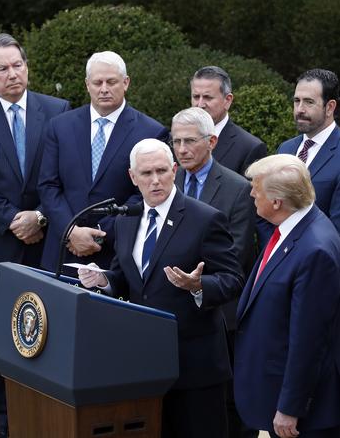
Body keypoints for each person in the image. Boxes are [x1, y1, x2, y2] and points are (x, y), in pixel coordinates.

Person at [78, 138, 243, 438]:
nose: (155, 181)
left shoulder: (204, 219)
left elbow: (233, 279)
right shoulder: (127, 219)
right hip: (146, 362)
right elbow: (125, 277)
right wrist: (103, 280)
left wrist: (198, 286)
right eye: (146, 174)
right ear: (133, 177)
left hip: (195, 366)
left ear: (174, 170)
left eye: (162, 171)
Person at [0, 33, 70, 438]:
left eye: (17, 65)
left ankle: (43, 413)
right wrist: (13, 220)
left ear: (27, 67)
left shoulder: (57, 111)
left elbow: (61, 175)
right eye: (1, 69)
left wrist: (39, 216)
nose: (11, 74)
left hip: (45, 242)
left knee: (47, 332)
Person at [235, 154, 340, 438]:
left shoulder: (315, 249)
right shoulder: (292, 229)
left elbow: (309, 338)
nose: (252, 193)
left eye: (256, 187)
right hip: (270, 388)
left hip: (302, 415)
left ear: (277, 202)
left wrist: (290, 406)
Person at [38, 51, 168, 272]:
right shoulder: (59, 126)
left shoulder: (151, 132)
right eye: (97, 82)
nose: (104, 89)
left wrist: (98, 234)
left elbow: (145, 194)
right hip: (61, 250)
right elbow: (48, 186)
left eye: (112, 81)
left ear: (125, 83)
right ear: (87, 84)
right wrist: (71, 231)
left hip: (112, 255)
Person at [171, 107, 257, 438]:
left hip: (220, 313)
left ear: (212, 141)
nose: (181, 149)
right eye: (176, 140)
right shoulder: (170, 179)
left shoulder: (237, 189)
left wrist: (197, 282)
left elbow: (235, 255)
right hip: (173, 311)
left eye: (189, 141)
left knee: (225, 407)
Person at [277, 68, 340, 234]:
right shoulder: (285, 149)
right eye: (297, 101)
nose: (300, 109)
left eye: (309, 102)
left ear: (330, 107)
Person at [191, 66, 267, 175]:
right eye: (196, 97)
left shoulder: (250, 148)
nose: (200, 104)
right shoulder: (175, 140)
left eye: (208, 97)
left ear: (227, 100)